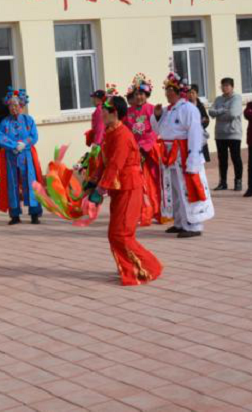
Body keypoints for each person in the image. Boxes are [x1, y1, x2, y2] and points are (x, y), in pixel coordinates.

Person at [89, 96, 163, 286]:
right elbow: (105, 161)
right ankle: (129, 266)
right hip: (119, 189)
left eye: (105, 108)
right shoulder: (110, 132)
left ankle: (150, 267)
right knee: (118, 232)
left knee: (120, 233)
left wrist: (100, 189)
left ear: (114, 112)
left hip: (129, 187)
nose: (102, 111)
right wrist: (92, 181)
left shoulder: (122, 135)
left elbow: (115, 164)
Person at [154, 74, 215, 238]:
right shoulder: (168, 110)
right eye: (166, 90)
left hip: (183, 152)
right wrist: (158, 116)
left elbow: (195, 134)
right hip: (169, 155)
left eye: (170, 91)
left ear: (178, 92)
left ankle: (194, 225)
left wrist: (193, 159)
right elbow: (160, 131)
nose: (167, 94)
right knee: (175, 190)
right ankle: (180, 222)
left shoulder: (189, 109)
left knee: (187, 189)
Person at [0, 87, 43, 225]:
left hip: (26, 156)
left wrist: (24, 144)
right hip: (11, 157)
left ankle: (34, 213)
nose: (13, 108)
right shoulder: (5, 122)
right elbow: (0, 136)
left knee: (31, 183)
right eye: (11, 105)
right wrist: (13, 146)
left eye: (16, 105)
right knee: (12, 184)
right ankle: (15, 215)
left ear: (21, 105)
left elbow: (34, 135)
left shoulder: (29, 120)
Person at [123, 74, 162, 227]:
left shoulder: (153, 110)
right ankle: (142, 213)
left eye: (142, 94)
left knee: (152, 183)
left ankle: (157, 211)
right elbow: (125, 132)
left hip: (149, 152)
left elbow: (155, 131)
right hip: (134, 153)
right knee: (138, 185)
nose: (139, 97)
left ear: (147, 95)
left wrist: (144, 148)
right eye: (136, 94)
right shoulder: (128, 112)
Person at [209, 78, 244, 191]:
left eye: (227, 85)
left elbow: (233, 114)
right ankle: (223, 182)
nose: (225, 88)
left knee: (236, 158)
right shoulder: (218, 99)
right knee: (222, 159)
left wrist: (218, 114)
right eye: (223, 86)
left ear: (232, 87)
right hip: (220, 134)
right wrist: (222, 111)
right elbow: (211, 112)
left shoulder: (237, 98)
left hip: (233, 133)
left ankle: (238, 181)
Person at [188, 85, 211, 163]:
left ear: (197, 94)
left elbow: (206, 119)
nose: (191, 95)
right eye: (189, 93)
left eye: (193, 93)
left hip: (200, 134)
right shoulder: (186, 105)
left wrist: (203, 122)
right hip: (189, 135)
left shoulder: (200, 105)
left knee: (201, 160)